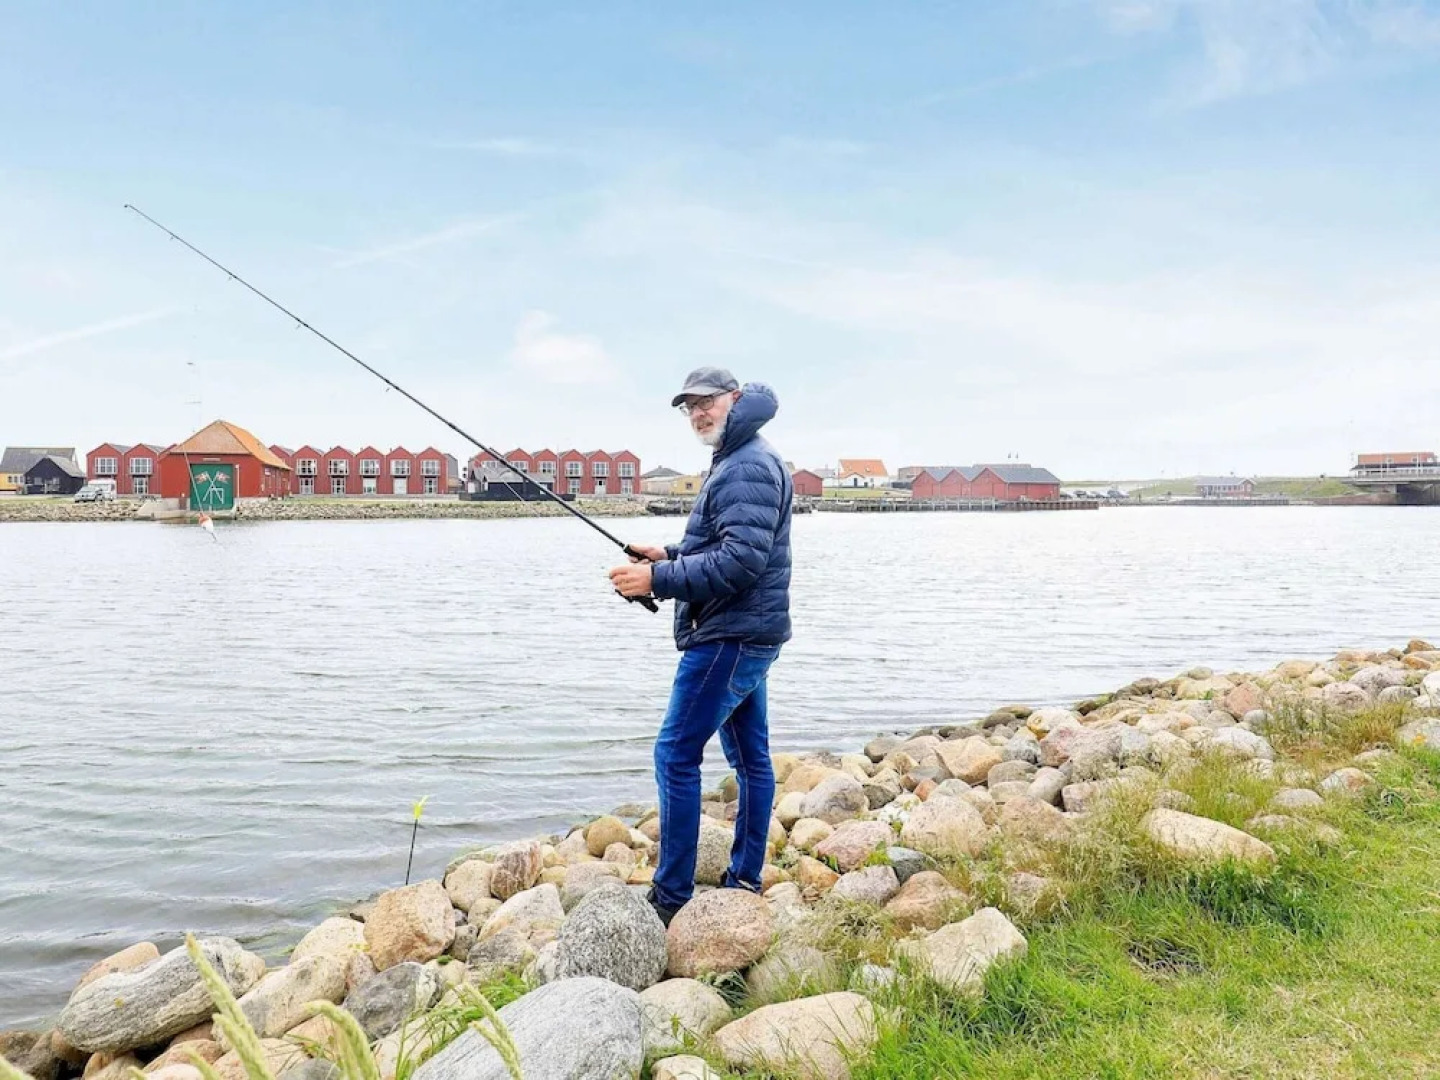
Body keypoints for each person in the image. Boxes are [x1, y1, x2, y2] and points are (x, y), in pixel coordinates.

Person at [608, 366, 793, 925]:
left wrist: (657, 582)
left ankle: (671, 899)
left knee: (675, 754)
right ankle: (743, 880)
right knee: (751, 760)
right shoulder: (741, 456)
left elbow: (740, 562)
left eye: (706, 403)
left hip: (729, 637)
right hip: (749, 632)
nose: (697, 414)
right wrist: (667, 555)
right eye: (689, 406)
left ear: (734, 399)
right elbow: (722, 542)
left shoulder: (747, 466)